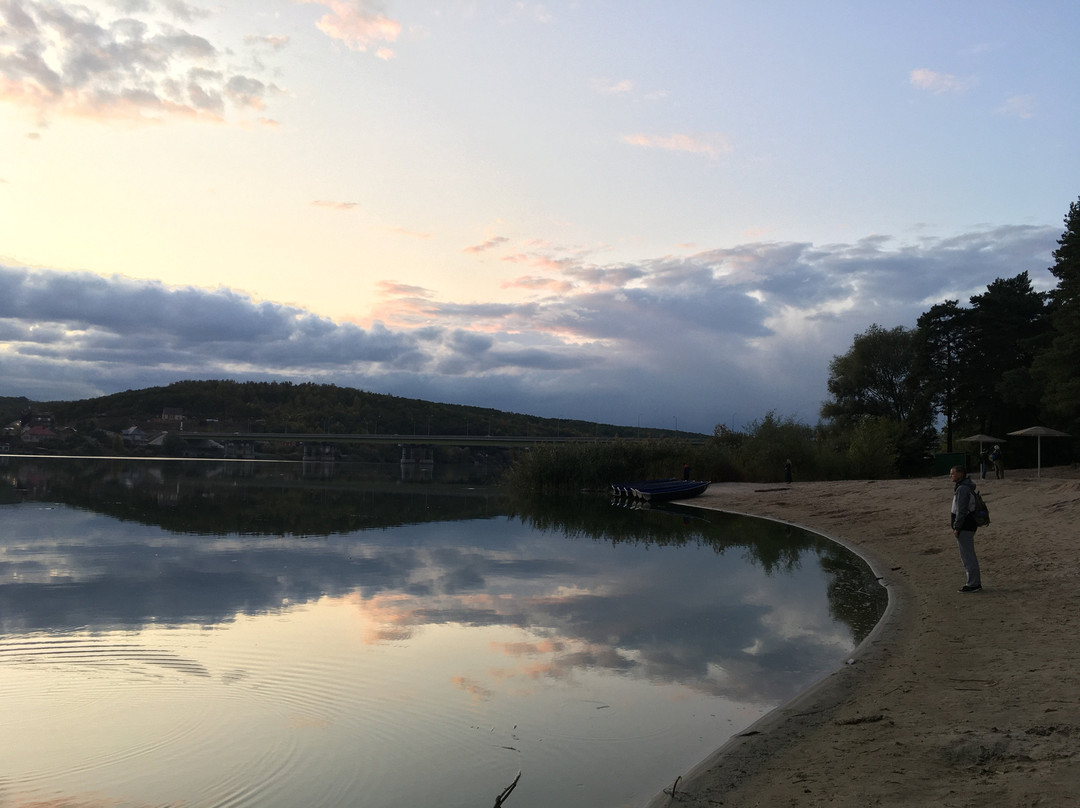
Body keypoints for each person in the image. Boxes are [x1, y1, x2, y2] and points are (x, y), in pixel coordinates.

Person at [949, 465, 982, 592]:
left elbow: (961, 511)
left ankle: (973, 584)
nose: (950, 476)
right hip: (968, 525)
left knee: (967, 555)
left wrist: (957, 527)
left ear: (960, 474)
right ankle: (974, 582)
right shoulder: (965, 487)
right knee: (968, 554)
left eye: (952, 474)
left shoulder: (963, 489)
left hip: (965, 526)